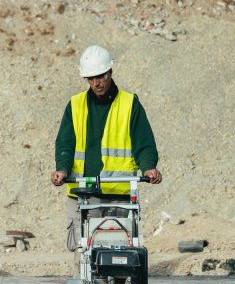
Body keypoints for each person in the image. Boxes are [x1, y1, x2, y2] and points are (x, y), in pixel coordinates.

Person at [51, 45, 161, 251]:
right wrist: (62, 169)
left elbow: (143, 142)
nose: (96, 83)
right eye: (91, 78)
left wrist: (149, 168)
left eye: (100, 76)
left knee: (117, 253)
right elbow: (65, 143)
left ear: (110, 72)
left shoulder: (129, 104)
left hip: (117, 195)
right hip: (83, 194)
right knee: (83, 254)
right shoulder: (75, 105)